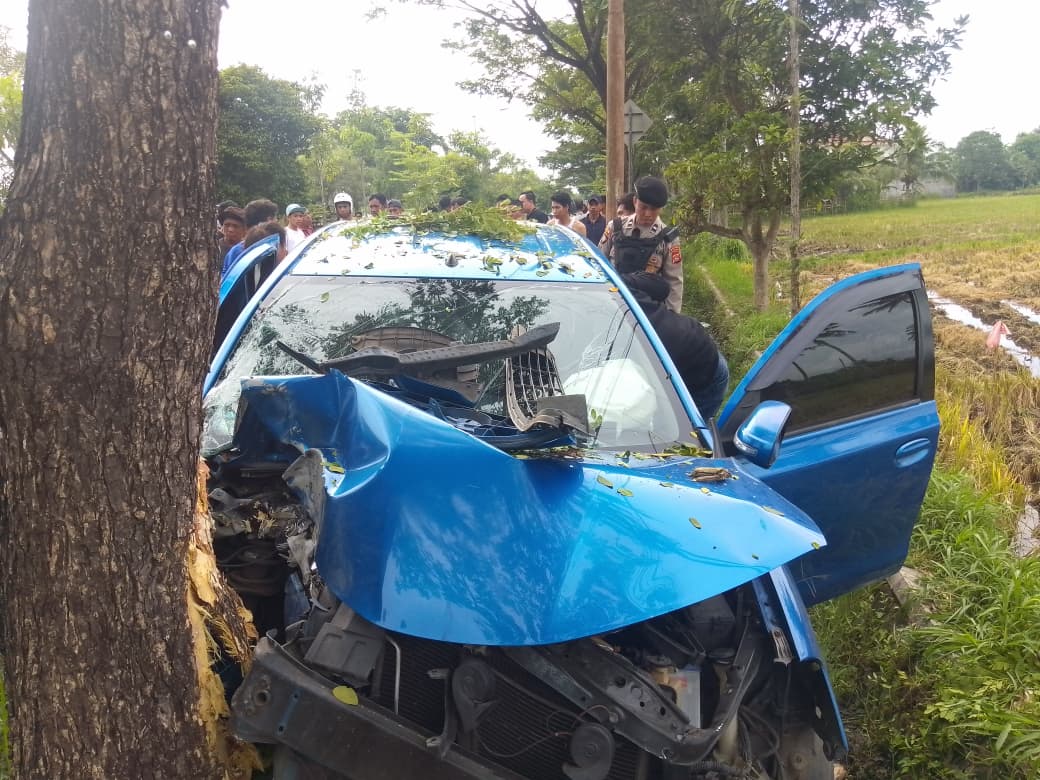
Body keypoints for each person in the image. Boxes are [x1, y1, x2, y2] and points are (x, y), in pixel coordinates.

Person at [622, 270, 729, 419]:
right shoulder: (613, 281)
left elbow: (664, 287)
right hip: (667, 360)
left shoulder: (613, 282)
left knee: (685, 434)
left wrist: (625, 279)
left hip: (701, 368)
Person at [603, 177, 683, 313]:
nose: (648, 214)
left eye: (654, 209)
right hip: (612, 303)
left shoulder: (668, 238)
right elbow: (599, 263)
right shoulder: (614, 227)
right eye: (643, 207)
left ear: (661, 209)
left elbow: (674, 282)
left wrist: (672, 316)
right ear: (635, 202)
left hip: (647, 311)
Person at [221, 198, 278, 279]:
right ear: (269, 220)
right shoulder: (266, 251)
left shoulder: (235, 250)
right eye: (275, 218)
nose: (277, 221)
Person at [598, 192, 636, 257]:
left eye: (621, 213)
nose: (618, 217)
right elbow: (601, 254)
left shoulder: (652, 232)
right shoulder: (614, 227)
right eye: (618, 214)